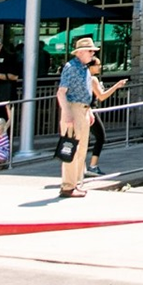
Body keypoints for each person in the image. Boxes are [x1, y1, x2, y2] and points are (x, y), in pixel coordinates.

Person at [56, 35, 98, 198]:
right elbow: (61, 92)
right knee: (70, 147)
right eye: (90, 51)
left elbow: (85, 93)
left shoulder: (84, 69)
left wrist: (89, 110)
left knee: (81, 149)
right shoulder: (70, 67)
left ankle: (75, 183)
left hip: (83, 110)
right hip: (73, 109)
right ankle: (67, 186)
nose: (92, 54)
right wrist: (66, 111)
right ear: (80, 52)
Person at [84, 58, 127, 176]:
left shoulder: (82, 76)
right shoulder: (93, 79)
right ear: (91, 66)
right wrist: (116, 86)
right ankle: (93, 165)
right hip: (91, 110)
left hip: (82, 110)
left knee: (84, 140)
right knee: (100, 137)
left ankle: (80, 167)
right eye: (98, 64)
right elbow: (102, 96)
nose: (100, 67)